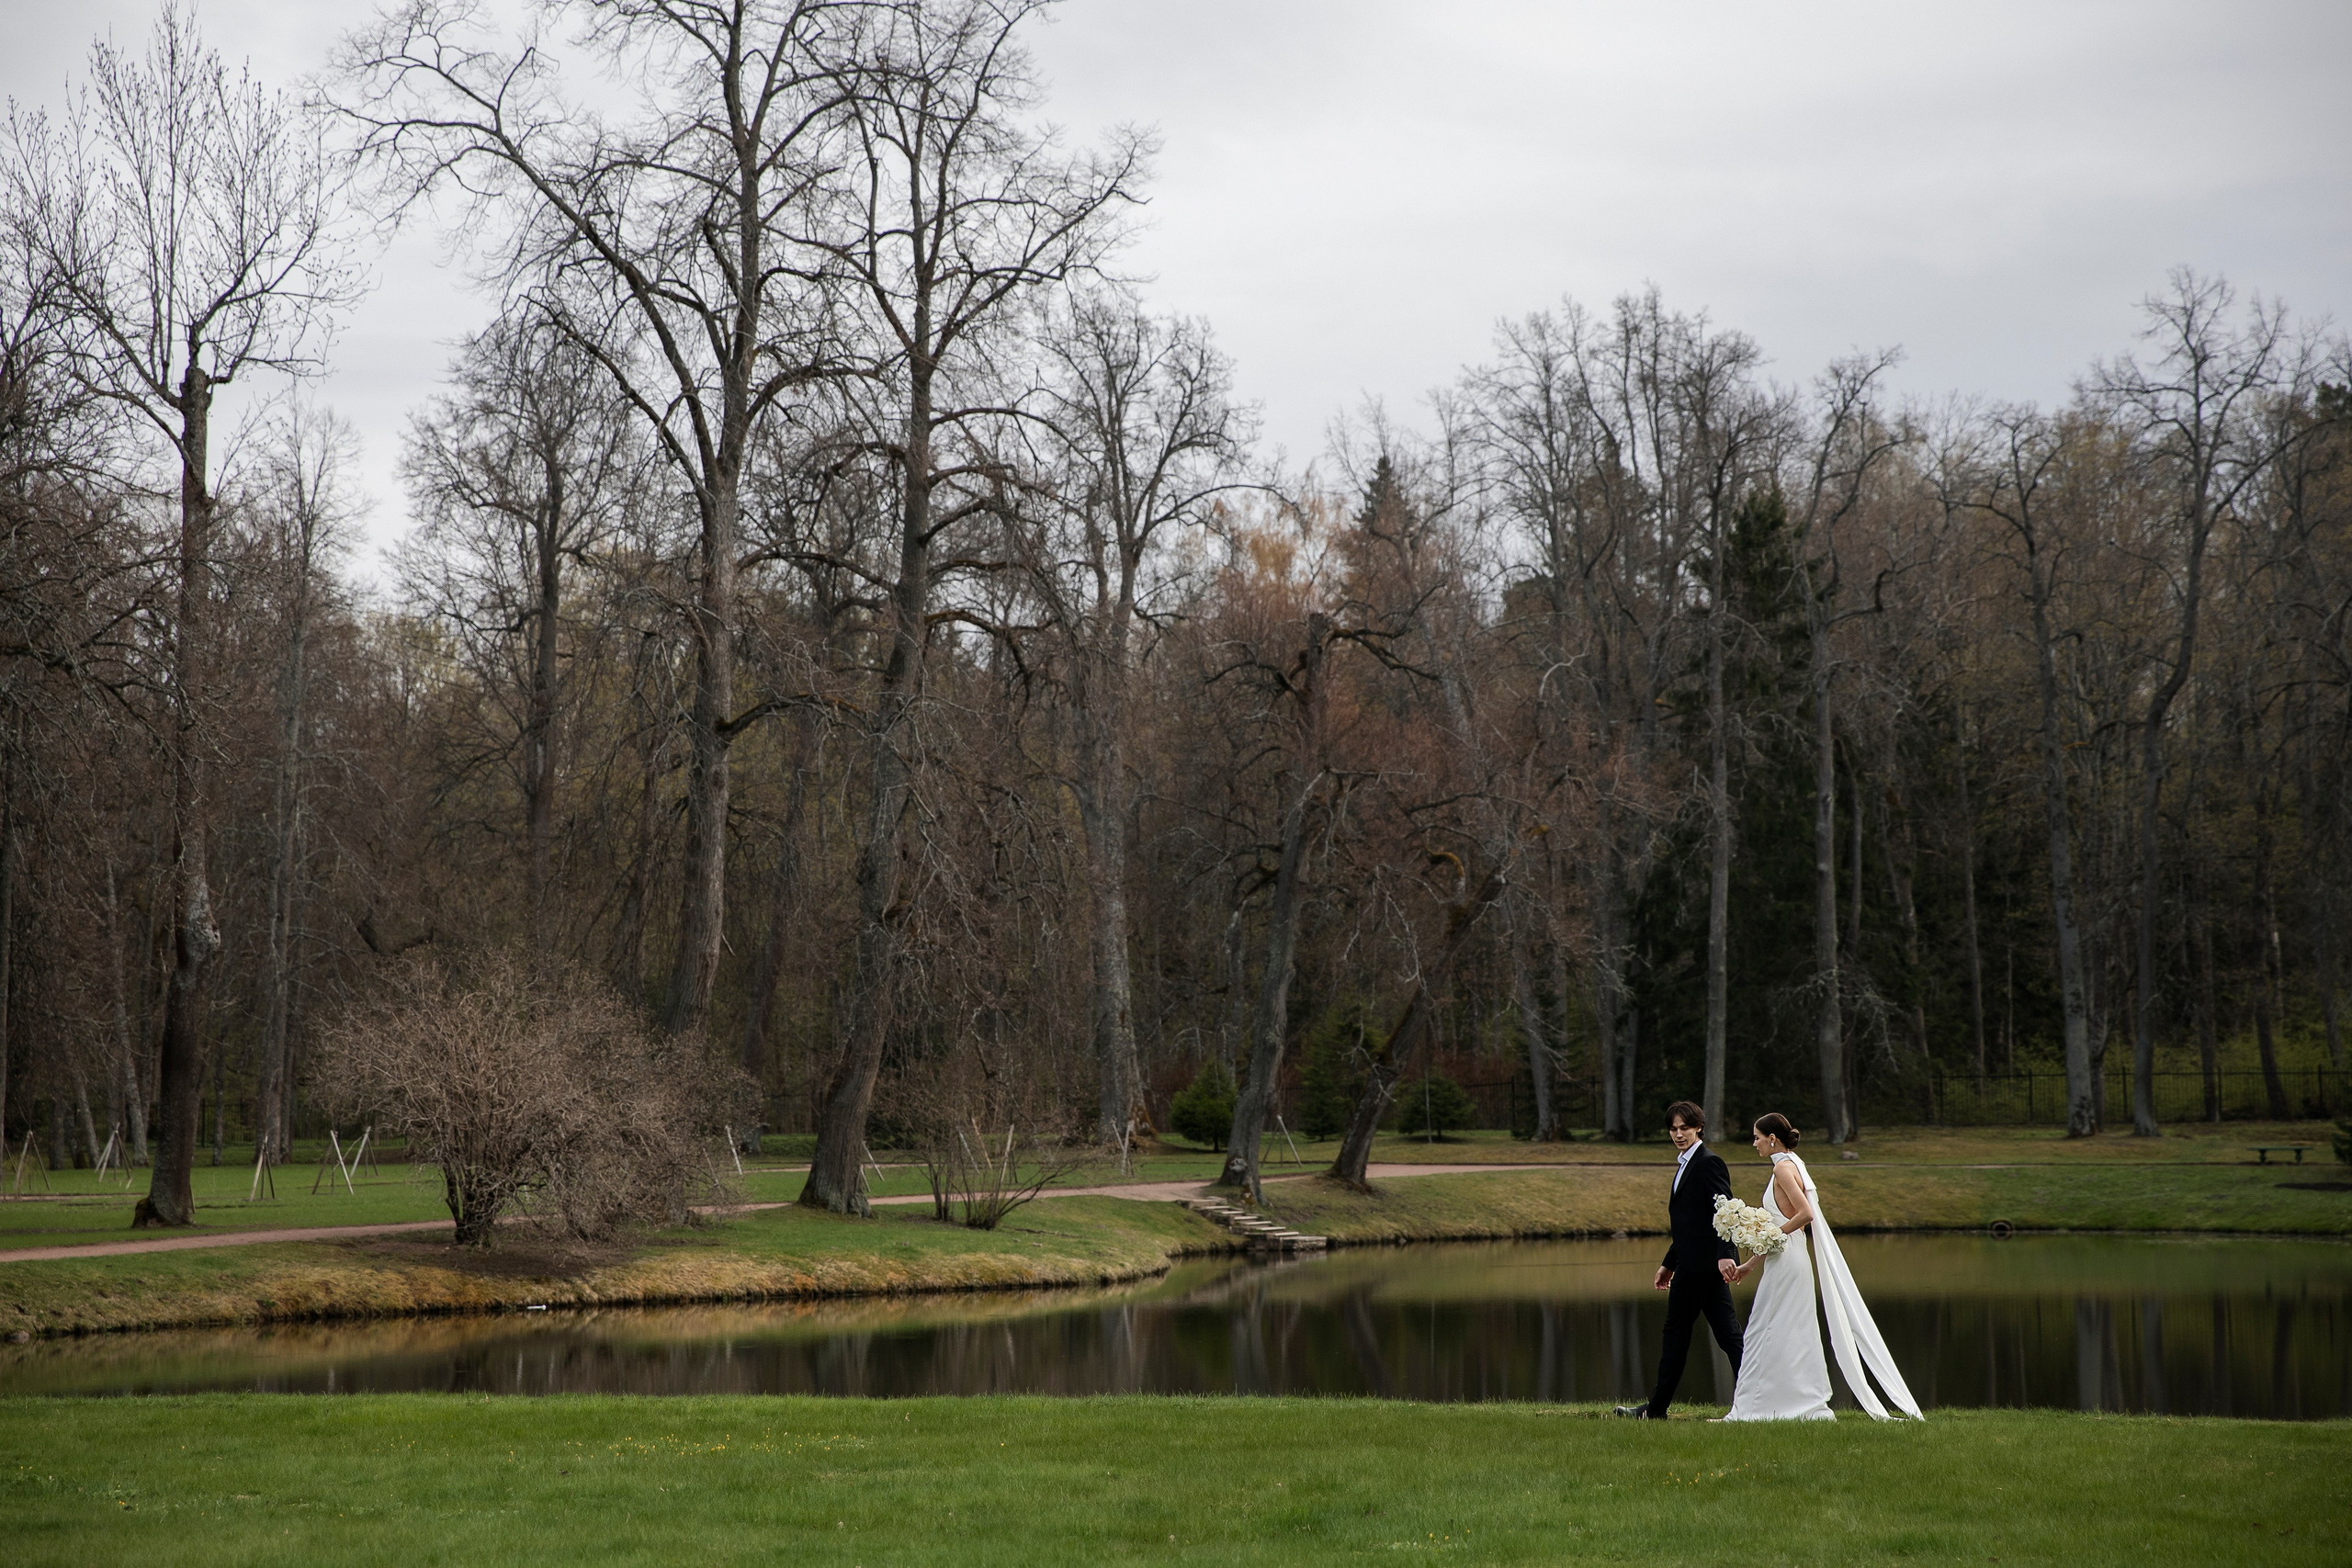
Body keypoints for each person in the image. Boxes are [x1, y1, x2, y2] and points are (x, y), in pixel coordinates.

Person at [1722, 1112, 1923, 1422]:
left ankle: (1758, 1409)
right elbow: (1776, 1228)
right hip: (1786, 1258)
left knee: (1766, 1329)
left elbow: (1804, 1215)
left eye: (1757, 1137)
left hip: (1788, 1260)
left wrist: (1772, 1234)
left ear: (1772, 1139)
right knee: (1785, 1331)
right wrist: (1751, 1262)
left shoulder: (1784, 1170)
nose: (1754, 1143)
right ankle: (1785, 1403)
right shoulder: (1790, 1165)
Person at [1613, 1100, 1741, 1419]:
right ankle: (1757, 1401)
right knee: (1728, 1337)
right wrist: (1669, 1262)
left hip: (1701, 1269)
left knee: (1678, 1336)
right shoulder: (1686, 1163)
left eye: (1685, 1128)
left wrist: (1726, 1254)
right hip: (1692, 1265)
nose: (1679, 1134)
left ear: (1698, 1127)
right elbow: (1690, 1223)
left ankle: (1656, 1410)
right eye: (1674, 1129)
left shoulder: (1708, 1162)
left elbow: (1724, 1212)